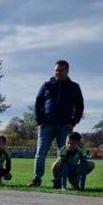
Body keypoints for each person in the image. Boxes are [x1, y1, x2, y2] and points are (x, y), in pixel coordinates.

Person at [29, 59, 84, 187]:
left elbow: (79, 106)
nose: (58, 73)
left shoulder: (74, 87)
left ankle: (59, 180)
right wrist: (39, 121)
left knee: (63, 155)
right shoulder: (46, 85)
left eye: (61, 70)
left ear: (67, 71)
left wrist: (73, 122)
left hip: (65, 126)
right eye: (56, 70)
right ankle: (37, 179)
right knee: (40, 153)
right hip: (46, 125)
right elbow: (38, 103)